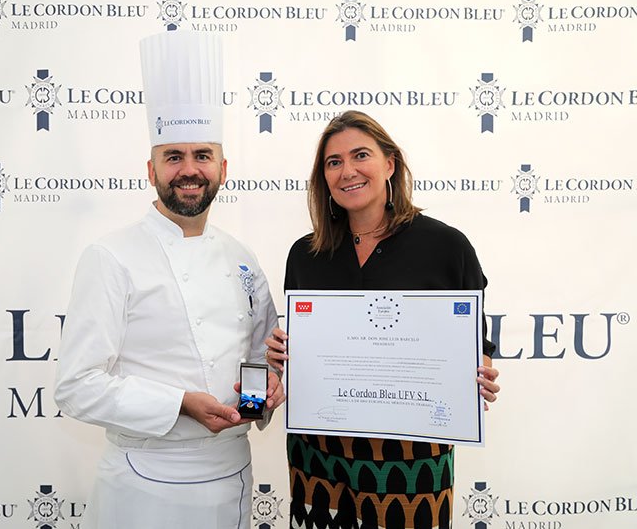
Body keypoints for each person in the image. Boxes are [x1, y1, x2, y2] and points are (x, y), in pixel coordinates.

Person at [54, 30, 284, 529]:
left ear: (223, 167)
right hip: (144, 481)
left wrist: (261, 395)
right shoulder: (110, 256)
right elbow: (76, 386)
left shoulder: (240, 257)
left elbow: (259, 355)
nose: (189, 169)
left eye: (202, 155)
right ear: (151, 169)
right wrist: (179, 403)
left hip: (232, 472)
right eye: (173, 156)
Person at [265, 110, 500, 529]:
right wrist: (282, 358)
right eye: (333, 162)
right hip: (320, 454)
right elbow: (306, 349)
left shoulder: (446, 246)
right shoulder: (306, 254)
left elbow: (472, 341)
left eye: (360, 156)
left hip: (410, 459)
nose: (347, 171)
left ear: (389, 164)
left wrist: (478, 368)